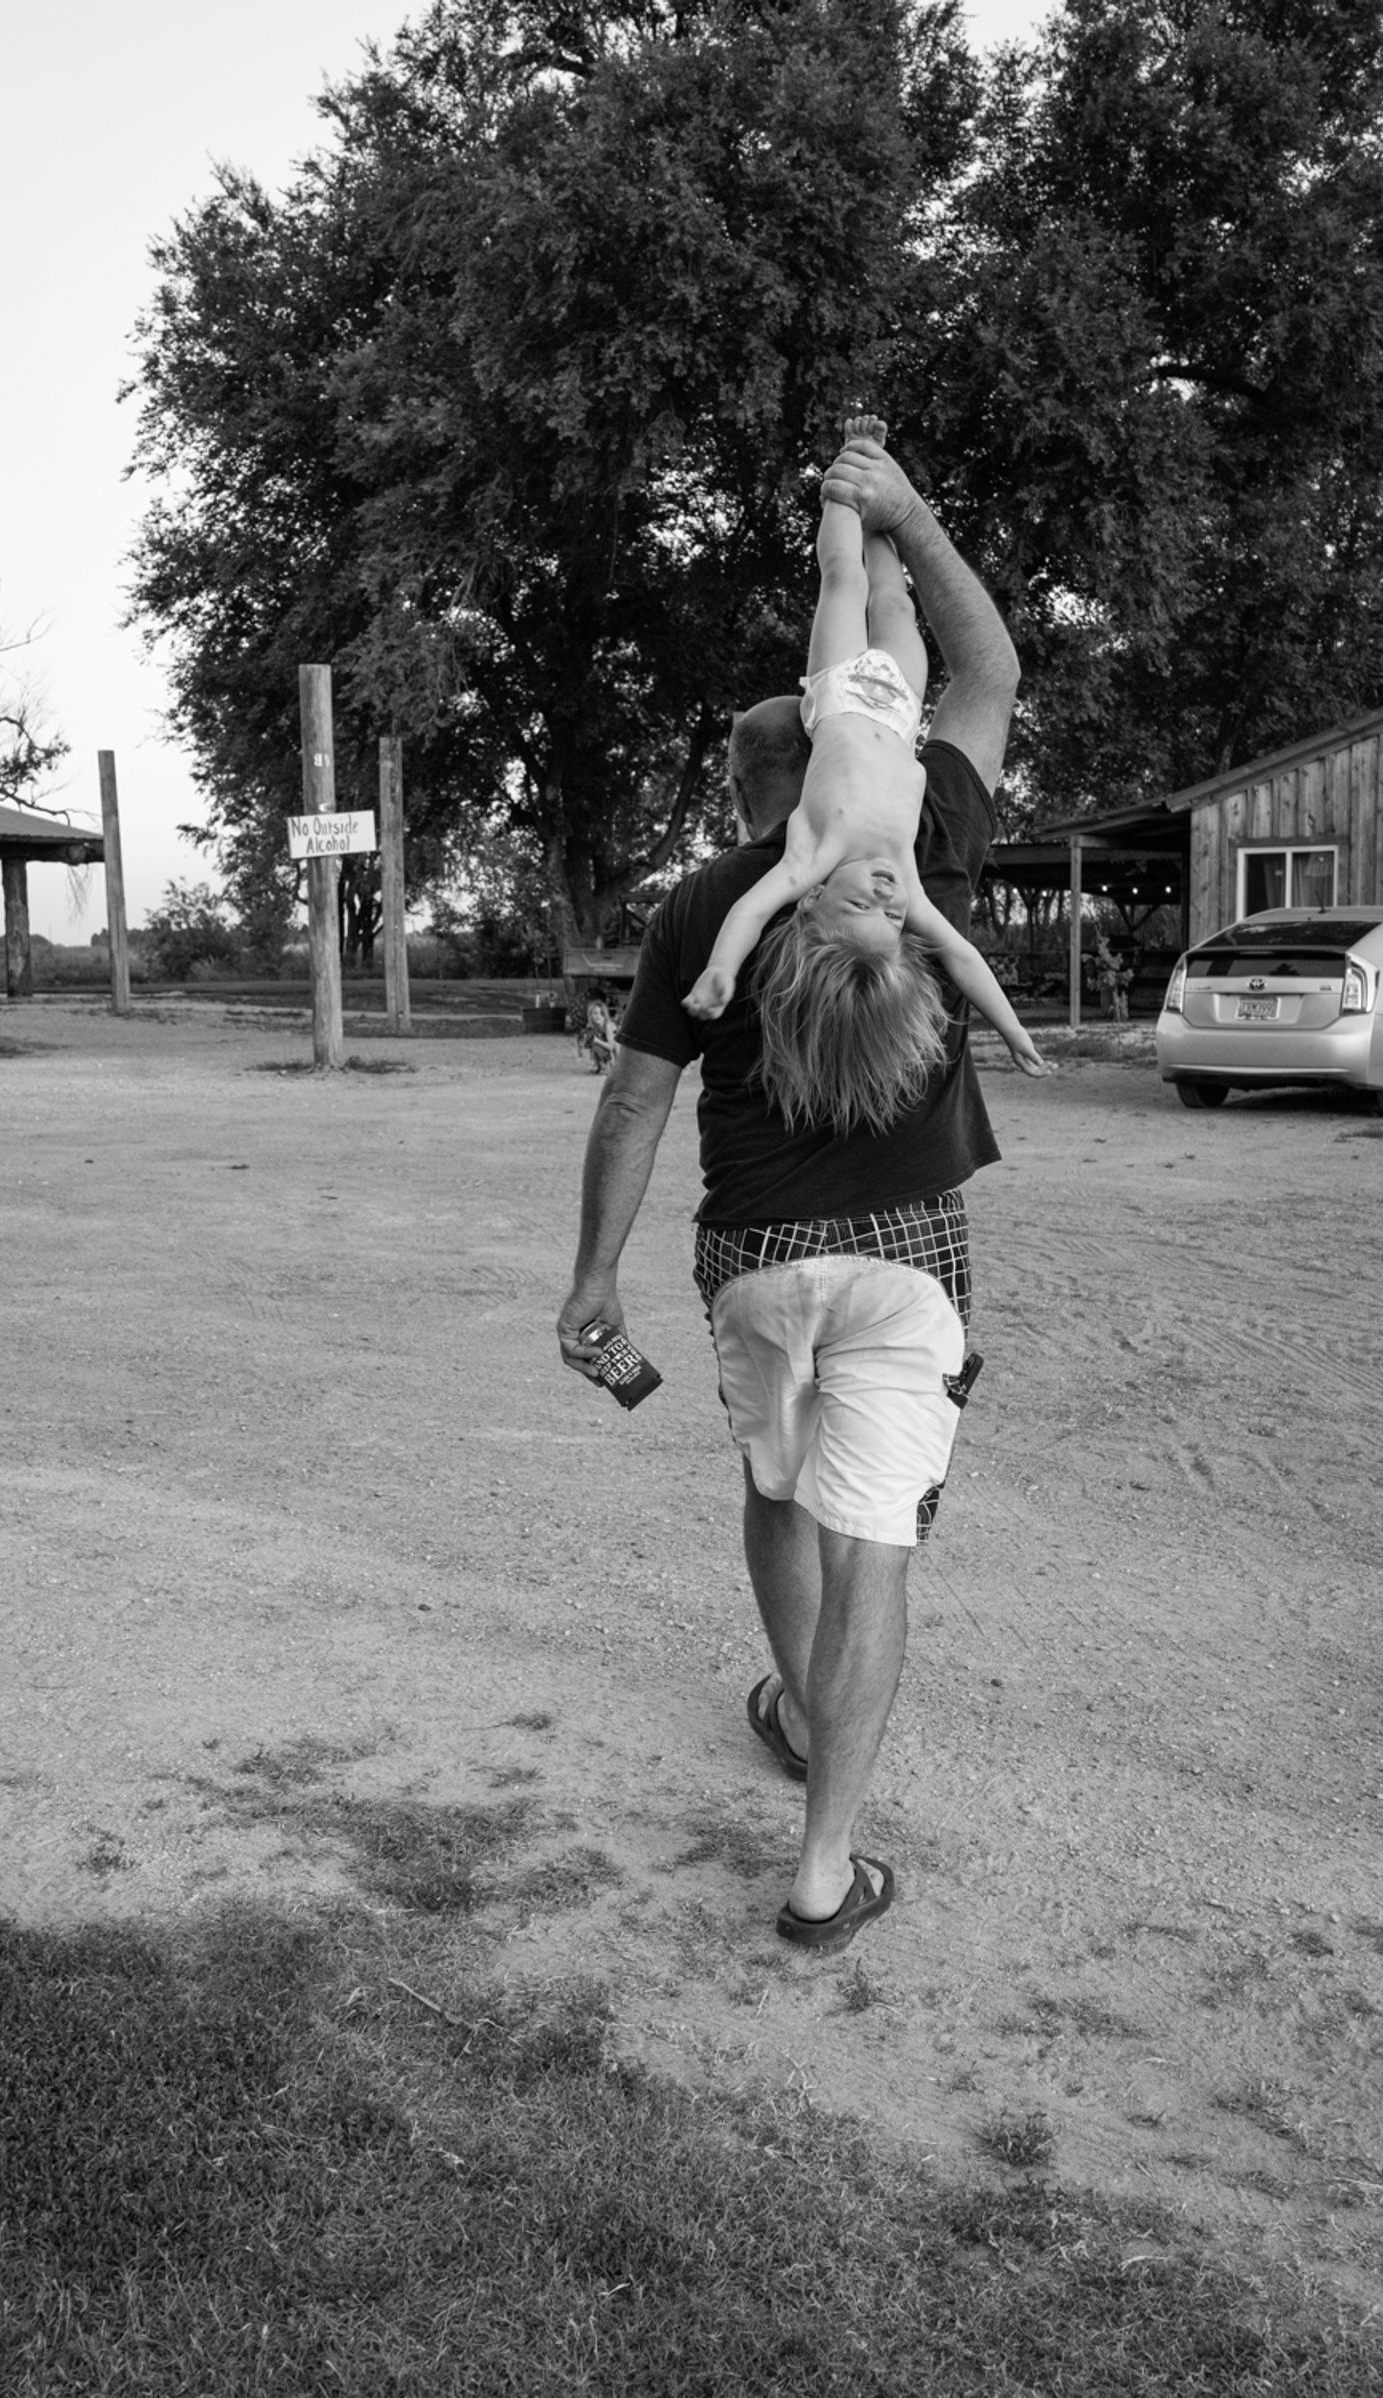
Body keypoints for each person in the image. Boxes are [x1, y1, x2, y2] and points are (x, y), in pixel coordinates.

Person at [557, 425, 1021, 1953]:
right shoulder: (919, 846)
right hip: (908, 1255)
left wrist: (593, 1280)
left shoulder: (714, 897)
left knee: (775, 1488)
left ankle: (796, 1700)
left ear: (748, 779)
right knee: (873, 1529)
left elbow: (637, 1093)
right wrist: (901, 512)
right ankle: (825, 1866)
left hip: (754, 1253)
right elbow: (987, 665)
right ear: (821, 748)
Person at [684, 419, 1048, 1123]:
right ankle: (883, 505)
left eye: (861, 906)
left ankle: (845, 492)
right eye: (891, 915)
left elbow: (748, 911)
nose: (884, 897)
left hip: (843, 691)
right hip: (900, 708)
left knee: (844, 579)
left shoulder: (809, 857)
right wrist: (1015, 1033)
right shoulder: (908, 884)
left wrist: (721, 971)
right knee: (898, 605)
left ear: (813, 904)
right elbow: (966, 964)